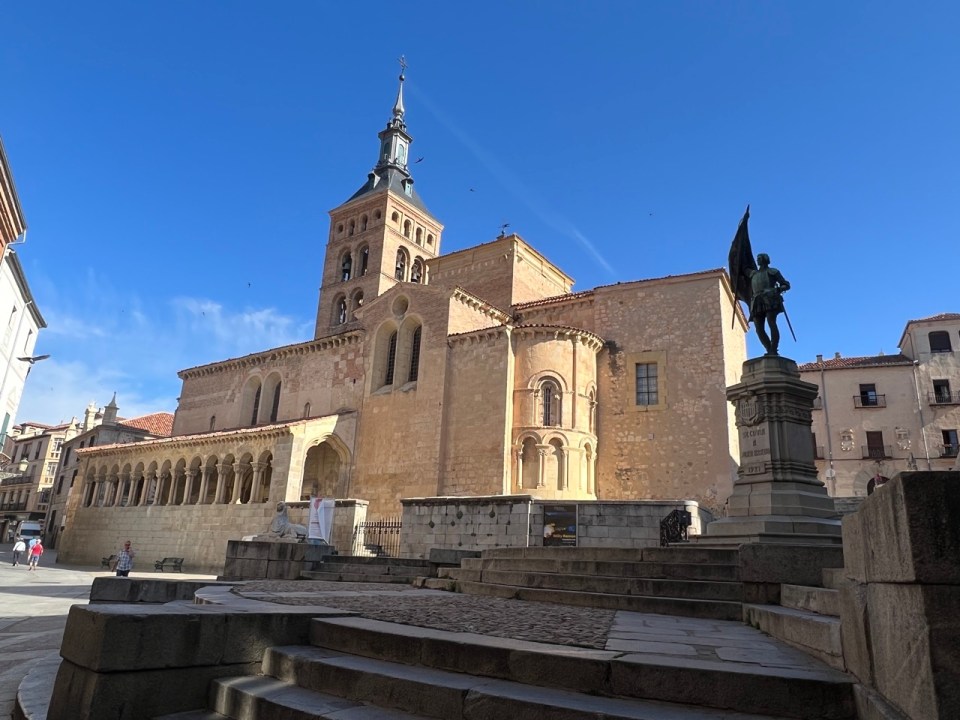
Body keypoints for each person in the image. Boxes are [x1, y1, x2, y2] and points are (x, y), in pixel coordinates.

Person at [747, 253, 790, 355]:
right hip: (756, 301)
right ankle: (768, 348)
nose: (758, 260)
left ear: (765, 259)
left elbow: (786, 285)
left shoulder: (773, 271)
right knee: (758, 329)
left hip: (769, 298)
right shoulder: (753, 274)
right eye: (757, 258)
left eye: (760, 258)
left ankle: (773, 348)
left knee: (771, 322)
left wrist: (777, 289)